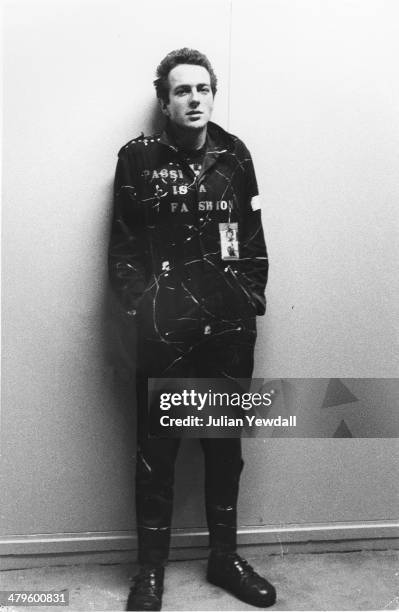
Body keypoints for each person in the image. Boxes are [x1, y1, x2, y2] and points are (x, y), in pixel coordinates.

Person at [108, 48, 276, 611]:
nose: (194, 99)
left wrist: (250, 296)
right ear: (164, 100)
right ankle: (149, 572)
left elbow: (252, 235)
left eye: (202, 89)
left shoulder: (235, 155)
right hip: (164, 337)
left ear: (213, 95)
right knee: (157, 452)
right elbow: (123, 251)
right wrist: (143, 312)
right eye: (182, 90)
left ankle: (223, 559)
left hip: (228, 333)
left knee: (223, 450)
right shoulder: (137, 160)